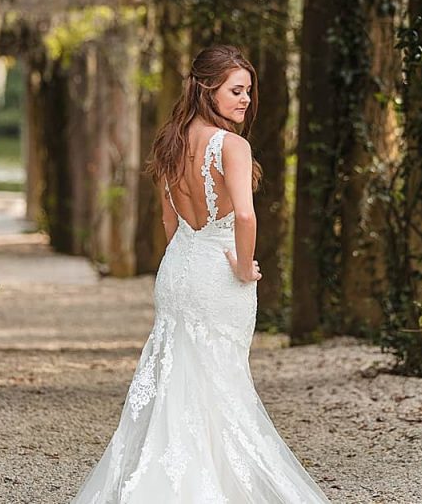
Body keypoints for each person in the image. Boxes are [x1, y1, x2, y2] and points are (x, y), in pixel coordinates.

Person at [71, 45, 331, 503]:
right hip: (218, 272)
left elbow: (170, 224)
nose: (246, 99)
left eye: (248, 90)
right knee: (223, 380)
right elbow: (246, 219)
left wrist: (186, 258)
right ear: (206, 88)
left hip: (179, 269)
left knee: (178, 378)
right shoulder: (232, 146)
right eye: (236, 90)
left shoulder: (169, 142)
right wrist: (243, 265)